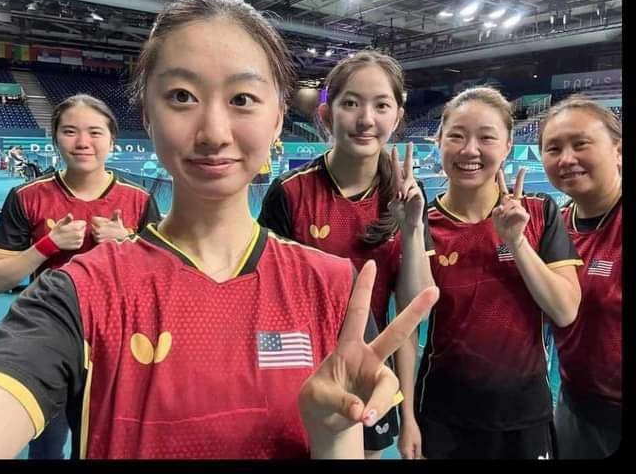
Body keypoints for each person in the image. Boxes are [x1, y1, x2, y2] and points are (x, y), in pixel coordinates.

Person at [0, 0, 439, 460]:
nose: (213, 132)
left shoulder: (337, 290)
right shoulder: (80, 294)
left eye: (242, 99)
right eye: (180, 96)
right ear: (146, 116)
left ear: (279, 119)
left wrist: (331, 436)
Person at [258, 51, 435, 459]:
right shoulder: (290, 193)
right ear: (326, 114)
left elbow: (412, 310)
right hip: (298, 374)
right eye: (351, 103)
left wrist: (411, 229)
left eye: (381, 105)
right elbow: (264, 302)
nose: (366, 119)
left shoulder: (408, 196)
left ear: (397, 116)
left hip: (368, 376)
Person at [0, 94, 161, 459]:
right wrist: (47, 245)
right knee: (47, 445)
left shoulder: (139, 200)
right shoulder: (27, 196)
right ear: (55, 138)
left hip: (118, 340)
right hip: (49, 337)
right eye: (70, 131)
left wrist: (129, 242)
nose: (83, 142)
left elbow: (164, 281)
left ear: (112, 140)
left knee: (110, 441)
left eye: (95, 132)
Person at [413, 87, 582, 459]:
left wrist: (516, 241)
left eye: (486, 138)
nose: (470, 150)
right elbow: (413, 314)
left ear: (507, 146)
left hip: (524, 414)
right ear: (438, 141)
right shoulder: (423, 222)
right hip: (444, 413)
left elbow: (565, 310)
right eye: (456, 136)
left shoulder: (539, 212)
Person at [539, 96, 621, 458]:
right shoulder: (553, 229)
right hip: (577, 409)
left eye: (581, 143)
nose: (567, 159)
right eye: (554, 148)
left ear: (618, 150)